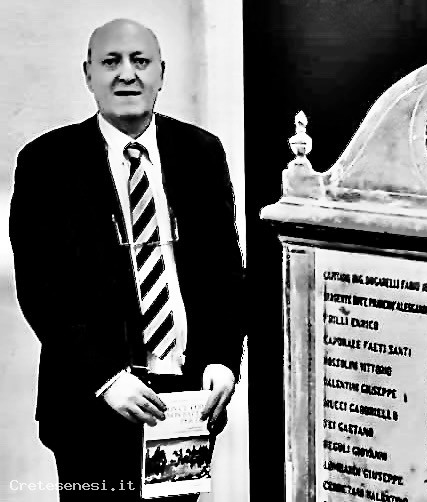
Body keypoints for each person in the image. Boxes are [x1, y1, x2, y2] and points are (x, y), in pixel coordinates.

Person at [9, 19, 244, 501]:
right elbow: (41, 289)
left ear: (161, 73)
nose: (127, 74)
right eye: (111, 62)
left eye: (140, 61)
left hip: (186, 403)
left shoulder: (201, 152)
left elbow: (225, 272)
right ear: (88, 74)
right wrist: (106, 377)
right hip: (93, 404)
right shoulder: (47, 162)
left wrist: (223, 358)